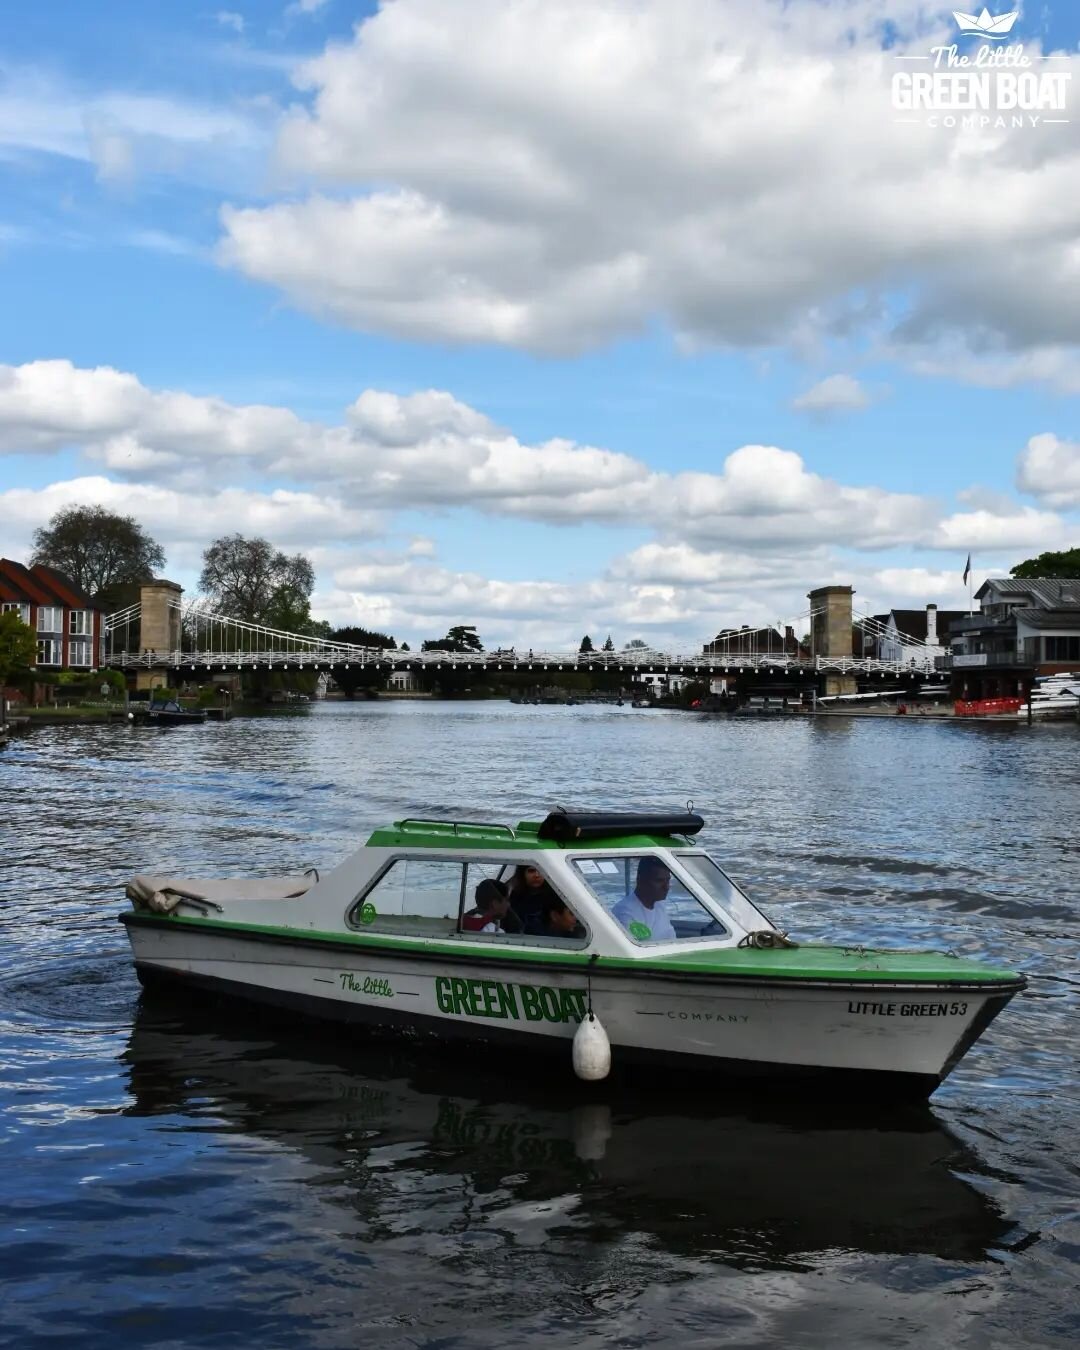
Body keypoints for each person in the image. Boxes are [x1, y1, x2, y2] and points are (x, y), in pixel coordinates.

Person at [612, 857, 676, 942]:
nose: (666, 887)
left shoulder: (660, 906)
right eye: (659, 881)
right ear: (640, 880)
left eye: (667, 880)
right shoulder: (625, 913)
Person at [508, 863, 562, 934]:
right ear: (522, 874)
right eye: (531, 871)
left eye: (541, 871)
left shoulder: (555, 896)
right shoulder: (514, 896)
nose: (537, 875)